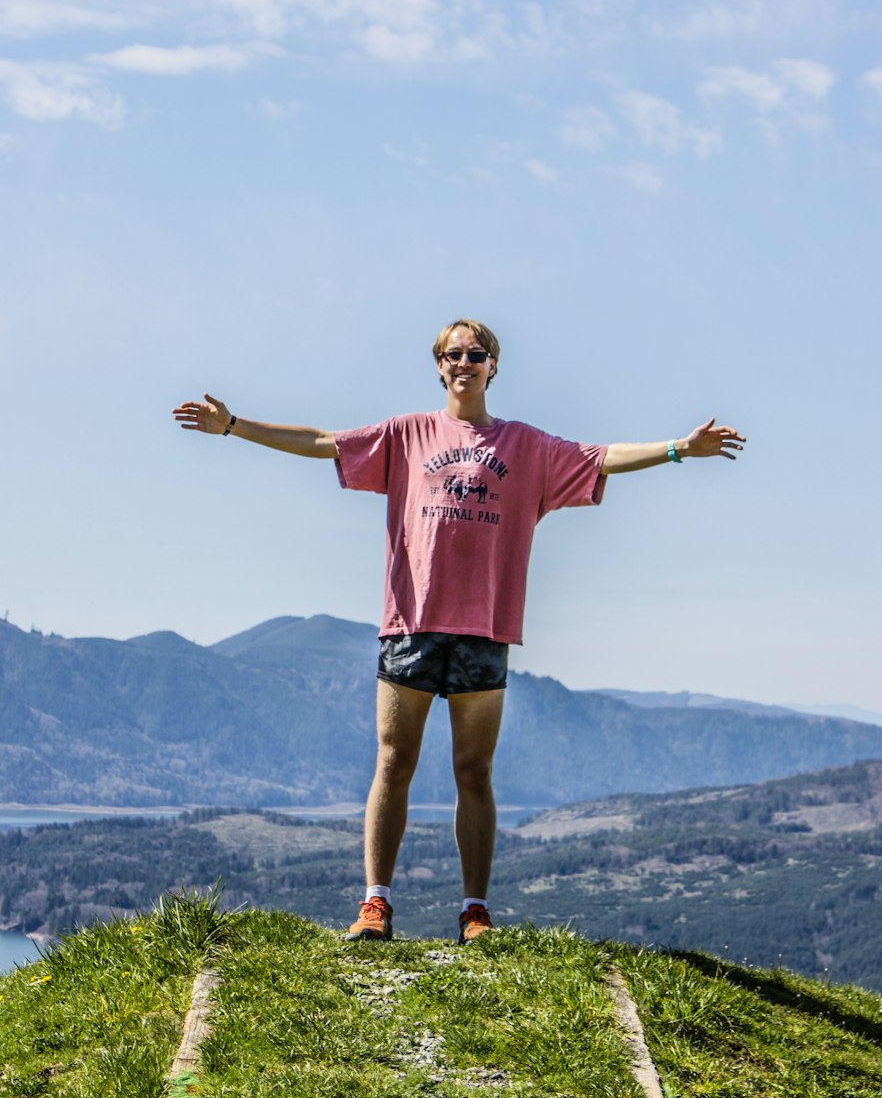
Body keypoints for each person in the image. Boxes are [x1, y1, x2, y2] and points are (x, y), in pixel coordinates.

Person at [174, 319, 744, 944]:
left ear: (494, 365)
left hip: (485, 626)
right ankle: (375, 904)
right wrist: (234, 426)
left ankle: (475, 911)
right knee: (394, 761)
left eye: (477, 354)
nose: (465, 362)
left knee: (474, 770)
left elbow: (602, 457)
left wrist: (678, 450)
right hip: (411, 621)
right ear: (439, 366)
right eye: (454, 354)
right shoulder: (407, 434)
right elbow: (322, 442)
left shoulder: (527, 446)